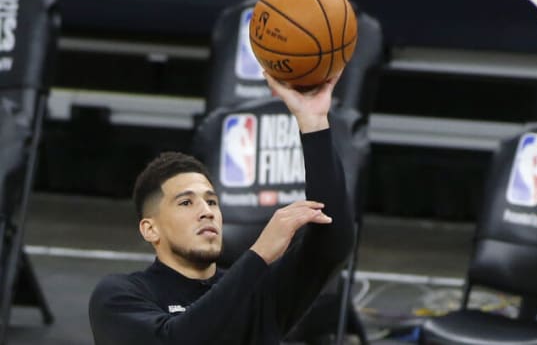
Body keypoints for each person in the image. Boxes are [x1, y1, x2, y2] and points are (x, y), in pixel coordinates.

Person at [88, 72, 354, 345]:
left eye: (212, 201)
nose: (207, 211)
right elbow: (175, 340)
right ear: (150, 228)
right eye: (186, 202)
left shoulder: (257, 293)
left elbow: (333, 241)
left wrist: (314, 124)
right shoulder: (119, 296)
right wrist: (258, 255)